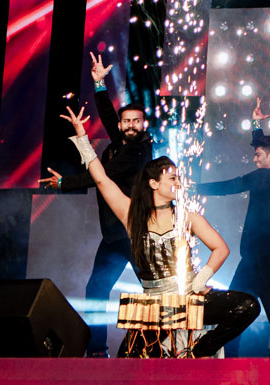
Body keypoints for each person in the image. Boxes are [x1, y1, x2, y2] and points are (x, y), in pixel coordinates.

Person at [60, 106, 259, 357]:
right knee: (129, 363)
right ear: (153, 183)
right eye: (172, 179)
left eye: (178, 178)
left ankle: (196, 352)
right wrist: (81, 137)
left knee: (247, 306)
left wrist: (200, 280)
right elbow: (101, 179)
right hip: (154, 306)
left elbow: (221, 248)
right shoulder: (132, 215)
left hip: (187, 298)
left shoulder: (188, 217)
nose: (178, 183)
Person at [39, 52, 152, 357]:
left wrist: (65, 183)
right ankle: (98, 351)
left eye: (136, 121)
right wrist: (99, 84)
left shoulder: (140, 151)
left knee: (154, 291)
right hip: (114, 236)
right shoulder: (119, 142)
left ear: (143, 125)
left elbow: (102, 176)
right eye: (126, 121)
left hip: (136, 234)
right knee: (96, 290)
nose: (130, 125)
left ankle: (159, 348)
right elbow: (107, 116)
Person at [194, 99, 270, 357]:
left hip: (263, 253)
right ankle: (229, 353)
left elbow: (231, 186)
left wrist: (193, 188)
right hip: (254, 254)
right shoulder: (269, 170)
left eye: (258, 155)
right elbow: (263, 147)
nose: (254, 158)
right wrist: (256, 125)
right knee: (237, 303)